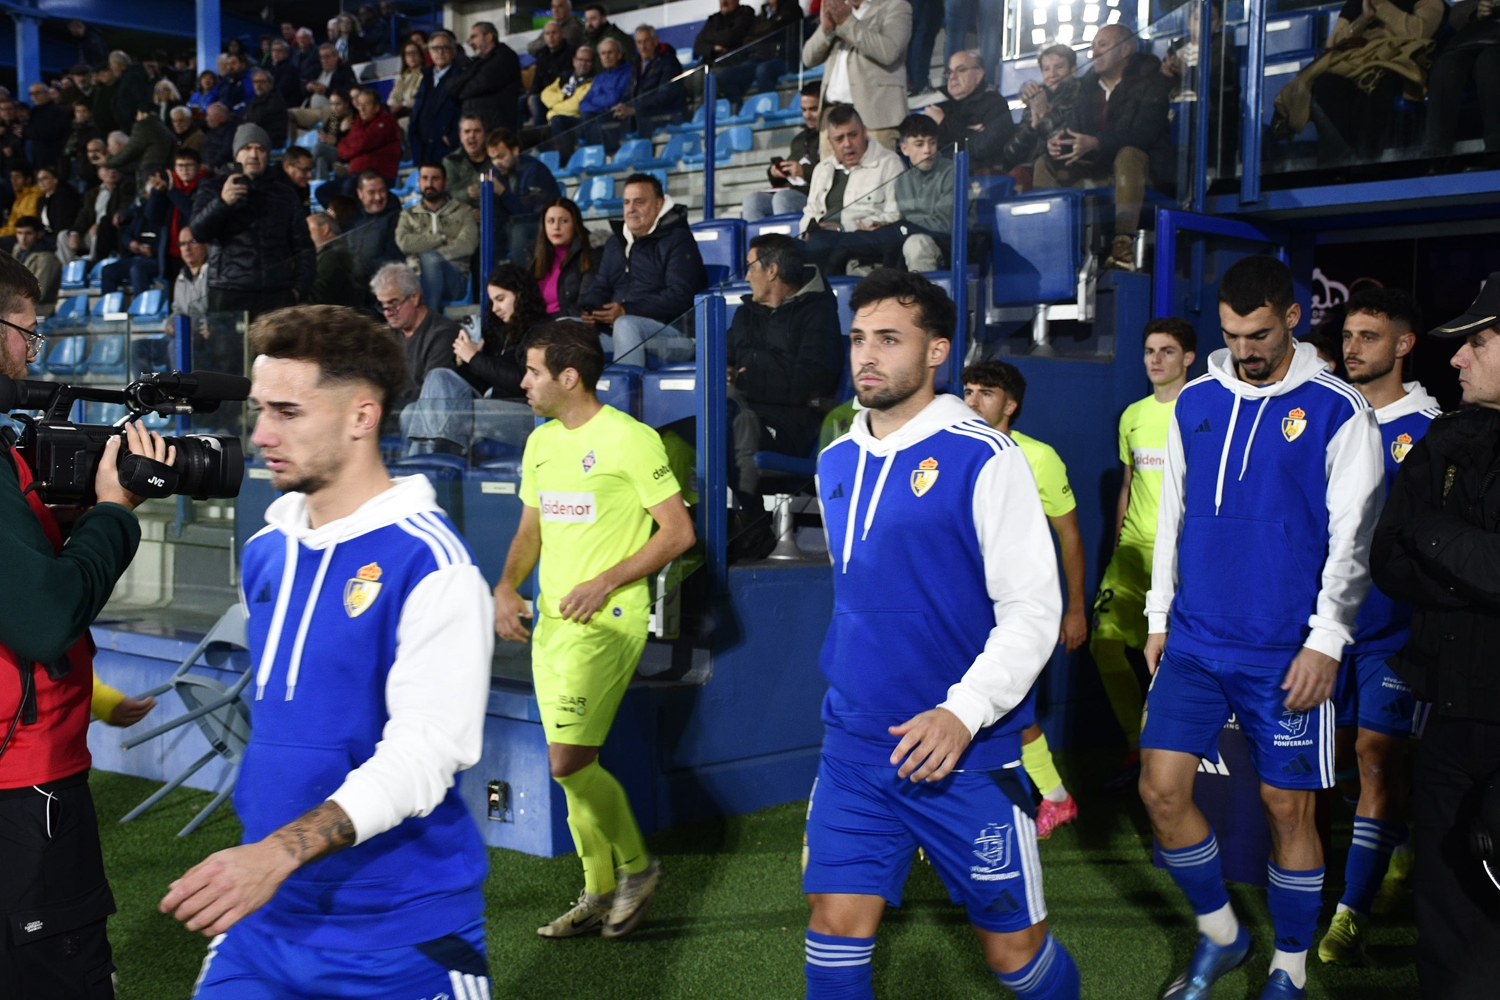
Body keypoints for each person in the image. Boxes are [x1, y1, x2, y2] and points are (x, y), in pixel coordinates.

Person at [168, 304, 494, 999]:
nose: (260, 436)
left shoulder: (433, 565)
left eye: (288, 412)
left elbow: (424, 756)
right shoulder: (267, 549)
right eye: (259, 410)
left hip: (400, 934)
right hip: (265, 922)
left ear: (361, 417)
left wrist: (277, 854)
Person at [806, 269, 1079, 1000]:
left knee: (1015, 954)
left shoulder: (986, 456)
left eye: (889, 340)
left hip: (966, 752)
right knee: (833, 931)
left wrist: (962, 713)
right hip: (856, 746)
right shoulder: (834, 460)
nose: (868, 355)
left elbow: (1032, 612)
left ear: (936, 352)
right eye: (860, 338)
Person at [1140, 255, 1383, 1000]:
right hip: (1194, 639)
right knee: (1161, 792)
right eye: (1230, 335)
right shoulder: (1196, 400)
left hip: (1285, 650)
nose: (1244, 350)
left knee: (1289, 807)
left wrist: (1326, 640)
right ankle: (1222, 933)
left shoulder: (1342, 410)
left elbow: (1356, 540)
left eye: (1258, 335)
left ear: (1295, 319)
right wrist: (1157, 617)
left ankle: (1289, 967)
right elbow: (1172, 513)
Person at [0, 247, 167, 1000]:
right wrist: (113, 515)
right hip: (23, 785)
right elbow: (43, 620)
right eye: (27, 333)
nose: (30, 353)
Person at [494, 319, 694, 938]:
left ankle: (636, 869)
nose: (523, 382)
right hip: (551, 623)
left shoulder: (631, 441)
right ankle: (598, 891)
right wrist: (505, 586)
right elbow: (531, 532)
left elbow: (679, 533)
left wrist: (604, 582)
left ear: (569, 377)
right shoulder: (541, 443)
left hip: (607, 621)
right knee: (573, 769)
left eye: (532, 371)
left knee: (566, 762)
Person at [1370, 272, 1500, 999]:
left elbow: (1423, 540)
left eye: (1477, 341)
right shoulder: (1447, 437)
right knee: (1446, 903)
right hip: (1448, 716)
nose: (1456, 358)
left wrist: (1435, 534)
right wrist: (1466, 563)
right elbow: (1388, 558)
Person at [1312, 287, 1438, 967]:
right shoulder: (1330, 417)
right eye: (1349, 336)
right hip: (1328, 629)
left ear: (1404, 344)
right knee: (1318, 769)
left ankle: (1350, 912)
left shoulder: (1433, 429)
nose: (1354, 348)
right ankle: (1379, 855)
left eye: (1369, 336)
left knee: (1376, 759)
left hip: (1396, 632)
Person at [961, 360, 1087, 838]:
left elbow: (1070, 536)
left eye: (985, 393)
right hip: (967, 606)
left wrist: (1075, 609)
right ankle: (1052, 798)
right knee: (991, 705)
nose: (972, 401)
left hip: (1017, 609)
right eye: (968, 391)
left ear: (1010, 405)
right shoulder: (956, 452)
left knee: (1011, 707)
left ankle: (1052, 798)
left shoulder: (1039, 457)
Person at [1090, 318, 1197, 787]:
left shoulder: (1200, 409)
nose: (1156, 360)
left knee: (1170, 659)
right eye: (1150, 351)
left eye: (1167, 351)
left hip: (1180, 557)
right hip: (1131, 554)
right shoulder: (1132, 415)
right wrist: (1116, 545)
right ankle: (1138, 744)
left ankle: (1168, 754)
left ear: (1188, 358)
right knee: (1105, 646)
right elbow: (1129, 485)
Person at [1033, 25, 1171, 272]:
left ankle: (1123, 245)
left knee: (1130, 154)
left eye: (1102, 45)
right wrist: (1058, 144)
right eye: (1093, 46)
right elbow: (1074, 132)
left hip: (1140, 173)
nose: (1094, 53)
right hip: (1096, 170)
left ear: (1126, 50)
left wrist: (1096, 141)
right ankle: (1054, 247)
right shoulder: (1086, 89)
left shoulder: (1152, 83)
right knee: (1044, 163)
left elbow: (1145, 135)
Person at [726, 234, 840, 493]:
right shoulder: (745, 314)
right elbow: (724, 357)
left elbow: (812, 381)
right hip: (738, 410)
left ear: (772, 271)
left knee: (728, 428)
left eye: (751, 267)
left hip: (789, 426)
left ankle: (749, 522)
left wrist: (746, 381)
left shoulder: (817, 314)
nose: (746, 278)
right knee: (676, 436)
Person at [404, 263, 548, 454]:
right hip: (489, 405)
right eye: (492, 301)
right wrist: (464, 361)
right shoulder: (500, 332)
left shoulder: (541, 331)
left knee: (449, 411)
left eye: (501, 299)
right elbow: (481, 381)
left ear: (520, 295)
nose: (495, 308)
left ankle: (431, 463)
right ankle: (426, 464)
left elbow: (521, 381)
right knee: (421, 398)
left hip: (522, 411)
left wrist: (474, 358)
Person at [579, 173, 707, 364]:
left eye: (639, 202)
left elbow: (680, 296)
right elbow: (601, 285)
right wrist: (591, 309)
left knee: (626, 325)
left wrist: (626, 310)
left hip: (673, 336)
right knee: (564, 328)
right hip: (615, 330)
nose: (631, 209)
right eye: (626, 202)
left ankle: (626, 393)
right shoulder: (616, 242)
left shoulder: (678, 239)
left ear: (658, 204)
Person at [190, 123, 315, 317]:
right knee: (233, 349)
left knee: (272, 349)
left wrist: (298, 291)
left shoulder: (285, 194)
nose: (253, 155)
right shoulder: (213, 188)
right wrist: (222, 203)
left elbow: (304, 248)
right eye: (247, 148)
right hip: (229, 294)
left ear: (268, 155)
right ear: (236, 154)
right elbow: (199, 232)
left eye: (260, 149)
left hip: (277, 296)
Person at [1303, 0, 1443, 166]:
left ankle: (1367, 162)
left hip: (1398, 64)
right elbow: (1333, 43)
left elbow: (1419, 32)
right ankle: (1335, 164)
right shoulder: (1357, 4)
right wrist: (1364, 19)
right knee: (1327, 83)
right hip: (1357, 63)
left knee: (1376, 81)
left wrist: (1381, 6)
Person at [802, 0, 913, 152]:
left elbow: (889, 51)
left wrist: (847, 22)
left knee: (877, 174)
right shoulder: (839, 9)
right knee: (830, 175)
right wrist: (826, 31)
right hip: (832, 117)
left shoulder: (895, 6)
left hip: (874, 117)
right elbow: (808, 58)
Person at [799, 106, 903, 253]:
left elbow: (895, 215)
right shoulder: (822, 169)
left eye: (853, 135)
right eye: (839, 139)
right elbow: (810, 212)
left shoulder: (889, 164)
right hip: (819, 240)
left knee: (819, 246)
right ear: (830, 141)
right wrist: (807, 231)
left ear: (864, 132)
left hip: (863, 242)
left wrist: (843, 228)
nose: (847, 144)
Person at [371, 261, 463, 406]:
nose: (388, 313)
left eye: (394, 304)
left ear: (414, 298)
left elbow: (431, 393)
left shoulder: (444, 333)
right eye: (383, 306)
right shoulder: (385, 336)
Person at [1423, 0, 1500, 165]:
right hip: (1472, 39)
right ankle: (1435, 157)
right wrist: (1476, 11)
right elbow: (1456, 13)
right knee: (1446, 66)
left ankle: (1495, 151)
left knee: (1489, 64)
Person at [395, 162, 479, 311]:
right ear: (419, 182)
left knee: (430, 259)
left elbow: (468, 245)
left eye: (435, 179)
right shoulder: (407, 215)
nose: (429, 183)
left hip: (454, 278)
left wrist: (429, 255)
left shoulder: (463, 211)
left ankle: (427, 321)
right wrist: (441, 239)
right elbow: (404, 243)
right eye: (425, 178)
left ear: (445, 182)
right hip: (416, 279)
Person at [742, 82, 822, 222]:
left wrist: (804, 171)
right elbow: (791, 176)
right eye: (804, 110)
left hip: (816, 196)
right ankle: (761, 243)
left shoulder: (833, 137)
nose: (807, 115)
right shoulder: (799, 139)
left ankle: (784, 243)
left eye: (813, 109)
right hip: (793, 191)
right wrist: (776, 172)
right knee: (753, 200)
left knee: (783, 198)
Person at [924, 50, 1014, 173]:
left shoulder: (994, 104)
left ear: (979, 74)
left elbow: (980, 148)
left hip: (982, 178)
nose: (952, 77)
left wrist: (944, 122)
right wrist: (967, 131)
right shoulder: (939, 103)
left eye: (960, 70)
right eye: (949, 72)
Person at [1004, 45, 1080, 188]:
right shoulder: (1037, 99)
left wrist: (1044, 114)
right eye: (1046, 69)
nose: (1052, 74)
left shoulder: (1081, 96)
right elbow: (1011, 155)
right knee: (1016, 176)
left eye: (1059, 67)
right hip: (1032, 168)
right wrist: (1031, 127)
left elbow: (1064, 143)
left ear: (1074, 69)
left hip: (1069, 166)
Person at [487, 127, 561, 265]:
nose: (497, 163)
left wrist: (503, 192)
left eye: (501, 156)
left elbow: (528, 212)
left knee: (519, 232)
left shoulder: (534, 170)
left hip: (540, 223)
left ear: (515, 151)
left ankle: (521, 280)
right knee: (485, 233)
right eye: (492, 158)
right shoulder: (494, 172)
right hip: (510, 224)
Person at [447, 21, 522, 132]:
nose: (470, 42)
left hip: (497, 130)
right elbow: (451, 87)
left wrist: (460, 92)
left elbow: (479, 85)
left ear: (488, 37)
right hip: (476, 127)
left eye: (474, 37)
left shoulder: (505, 57)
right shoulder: (477, 62)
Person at [569, 38, 635, 154]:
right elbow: (583, 104)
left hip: (618, 118)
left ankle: (597, 158)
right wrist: (601, 108)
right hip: (598, 116)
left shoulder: (628, 72)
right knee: (559, 120)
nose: (606, 56)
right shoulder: (599, 78)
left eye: (610, 52)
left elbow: (614, 99)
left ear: (619, 55)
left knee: (590, 118)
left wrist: (595, 101)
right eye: (603, 53)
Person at [532, 197, 595, 316]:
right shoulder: (534, 258)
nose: (556, 227)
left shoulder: (590, 254)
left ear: (575, 224)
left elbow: (585, 304)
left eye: (564, 221)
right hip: (539, 326)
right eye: (550, 221)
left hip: (569, 326)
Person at [335, 88, 401, 196]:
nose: (361, 108)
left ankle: (354, 212)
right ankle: (336, 212)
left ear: (376, 107)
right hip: (356, 174)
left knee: (348, 188)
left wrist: (348, 152)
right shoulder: (357, 122)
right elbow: (342, 146)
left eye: (366, 105)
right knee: (323, 192)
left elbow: (363, 143)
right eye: (359, 105)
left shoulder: (386, 121)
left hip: (378, 174)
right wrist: (348, 151)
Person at [60, 165, 130, 267]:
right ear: (99, 172)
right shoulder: (92, 193)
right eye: (107, 169)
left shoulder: (126, 188)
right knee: (63, 236)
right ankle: (68, 271)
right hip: (90, 232)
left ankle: (92, 267)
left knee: (98, 231)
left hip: (110, 232)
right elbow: (83, 215)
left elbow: (122, 210)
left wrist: (99, 225)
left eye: (115, 169)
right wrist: (76, 232)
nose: (111, 172)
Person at [620, 25, 684, 132]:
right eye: (639, 42)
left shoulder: (669, 62)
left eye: (646, 41)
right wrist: (622, 105)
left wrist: (636, 109)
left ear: (655, 41)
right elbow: (629, 92)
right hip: (640, 118)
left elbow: (666, 95)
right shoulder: (635, 64)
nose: (643, 47)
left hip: (663, 117)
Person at [344, 170, 404, 279]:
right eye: (371, 192)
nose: (378, 197)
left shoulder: (397, 219)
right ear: (360, 193)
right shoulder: (351, 221)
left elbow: (394, 259)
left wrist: (362, 265)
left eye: (382, 191)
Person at [105, 101, 177, 192]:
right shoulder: (162, 126)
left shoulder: (144, 126)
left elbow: (129, 151)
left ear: (140, 113)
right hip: (165, 173)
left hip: (150, 175)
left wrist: (109, 161)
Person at [541, 46, 595, 161]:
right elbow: (545, 94)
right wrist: (562, 96)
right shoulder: (565, 77)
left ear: (592, 64)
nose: (583, 64)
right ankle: (492, 173)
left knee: (557, 120)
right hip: (556, 119)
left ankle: (565, 161)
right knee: (525, 136)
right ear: (574, 61)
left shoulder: (592, 81)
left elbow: (575, 106)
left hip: (576, 120)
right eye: (580, 60)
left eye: (587, 61)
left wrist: (553, 108)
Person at [306, 212, 366, 307]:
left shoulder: (334, 255)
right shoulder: (338, 251)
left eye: (308, 230)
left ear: (325, 228)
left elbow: (318, 295)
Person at [527, 21, 578, 127]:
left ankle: (542, 137)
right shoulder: (542, 54)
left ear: (562, 34)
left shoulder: (571, 52)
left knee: (536, 101)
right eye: (547, 33)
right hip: (544, 93)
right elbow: (537, 79)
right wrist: (532, 93)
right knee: (521, 102)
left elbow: (566, 78)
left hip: (562, 92)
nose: (551, 37)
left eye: (554, 33)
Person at [443, 115, 492, 214]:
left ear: (485, 135)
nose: (472, 136)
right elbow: (447, 194)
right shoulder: (451, 161)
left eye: (477, 131)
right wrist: (467, 194)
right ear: (460, 137)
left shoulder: (495, 159)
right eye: (467, 131)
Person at [23, 81, 70, 176]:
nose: (34, 96)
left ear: (47, 93)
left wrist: (27, 131)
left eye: (37, 93)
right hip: (37, 158)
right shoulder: (34, 111)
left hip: (53, 157)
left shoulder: (58, 111)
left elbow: (53, 133)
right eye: (31, 94)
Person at [11, 215, 61, 307]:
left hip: (39, 310)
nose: (23, 238)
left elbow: (37, 294)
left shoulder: (47, 259)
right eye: (19, 233)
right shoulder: (18, 252)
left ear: (39, 234)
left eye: (28, 233)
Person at [243, 69, 289, 152]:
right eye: (255, 82)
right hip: (255, 137)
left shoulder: (275, 100)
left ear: (270, 83)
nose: (258, 85)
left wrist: (248, 120)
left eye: (262, 82)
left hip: (271, 140)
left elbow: (258, 119)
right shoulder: (254, 100)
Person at [35, 165, 80, 248]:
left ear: (55, 180)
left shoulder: (63, 197)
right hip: (45, 236)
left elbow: (62, 223)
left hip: (58, 236)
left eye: (44, 178)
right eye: (38, 179)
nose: (40, 182)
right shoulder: (41, 200)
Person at [171, 225, 209, 324]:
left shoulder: (213, 274)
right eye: (182, 244)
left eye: (193, 242)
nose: (187, 248)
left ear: (206, 244)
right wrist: (169, 324)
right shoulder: (181, 277)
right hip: (183, 335)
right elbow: (177, 310)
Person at [388, 42, 427, 124]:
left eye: (414, 52)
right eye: (408, 54)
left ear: (421, 56)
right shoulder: (401, 77)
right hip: (399, 111)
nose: (412, 56)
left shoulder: (425, 75)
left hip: (416, 112)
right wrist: (393, 105)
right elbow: (393, 96)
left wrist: (402, 104)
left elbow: (421, 98)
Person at [0, 164, 40, 240]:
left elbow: (26, 225)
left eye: (17, 177)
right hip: (13, 234)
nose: (13, 180)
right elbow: (10, 226)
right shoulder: (19, 198)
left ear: (28, 179)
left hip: (24, 237)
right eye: (12, 177)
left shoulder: (34, 196)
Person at [200, 103, 241, 171]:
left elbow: (226, 152)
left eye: (208, 115)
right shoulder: (211, 131)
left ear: (218, 117)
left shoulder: (231, 132)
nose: (206, 119)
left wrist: (210, 165)